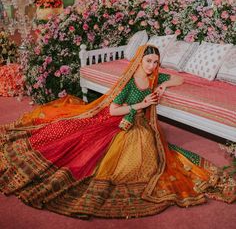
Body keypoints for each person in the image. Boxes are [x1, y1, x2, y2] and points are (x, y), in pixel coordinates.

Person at [0, 45, 235, 219]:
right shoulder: (130, 82)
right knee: (84, 144)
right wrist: (140, 106)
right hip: (116, 120)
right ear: (139, 61)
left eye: (156, 61)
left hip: (139, 122)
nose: (153, 66)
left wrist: (163, 85)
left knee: (150, 147)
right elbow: (113, 109)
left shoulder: (154, 78)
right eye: (149, 61)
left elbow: (178, 79)